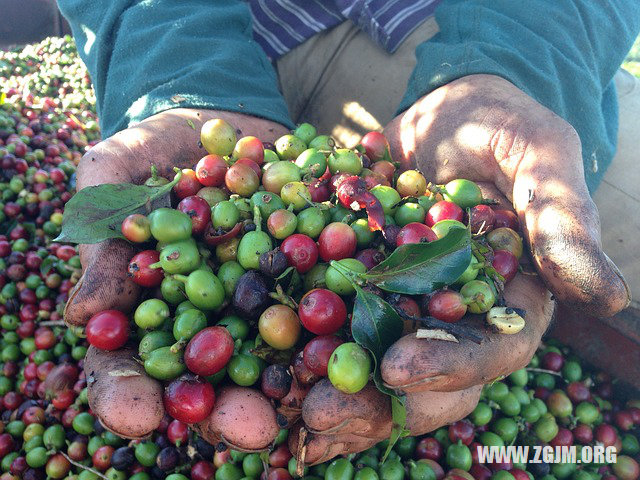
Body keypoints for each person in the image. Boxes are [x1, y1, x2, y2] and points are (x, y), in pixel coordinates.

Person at [57, 0, 638, 464]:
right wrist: (177, 74)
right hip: (226, 30)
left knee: (604, 227)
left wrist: (520, 69)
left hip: (469, 29)